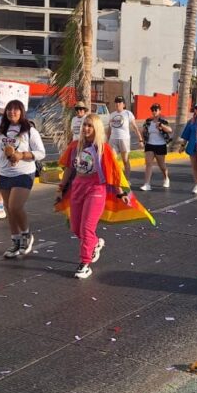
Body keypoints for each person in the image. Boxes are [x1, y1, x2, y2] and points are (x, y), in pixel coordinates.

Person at [55, 114, 132, 279]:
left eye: (90, 126)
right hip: (77, 189)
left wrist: (121, 193)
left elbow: (113, 173)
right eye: (84, 125)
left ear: (96, 128)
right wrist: (61, 188)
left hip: (96, 190)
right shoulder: (75, 146)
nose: (86, 129)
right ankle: (95, 243)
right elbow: (69, 168)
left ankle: (85, 263)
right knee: (76, 228)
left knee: (87, 228)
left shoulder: (103, 149)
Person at [0, 100, 47, 258]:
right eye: (9, 109)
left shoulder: (29, 130)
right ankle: (15, 241)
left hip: (24, 173)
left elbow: (41, 153)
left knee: (15, 207)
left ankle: (27, 235)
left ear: (21, 112)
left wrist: (22, 155)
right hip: (4, 174)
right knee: (9, 209)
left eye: (16, 109)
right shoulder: (1, 131)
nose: (12, 112)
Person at [106, 96, 141, 177]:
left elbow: (135, 127)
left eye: (119, 102)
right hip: (113, 140)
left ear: (124, 104)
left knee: (125, 160)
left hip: (124, 139)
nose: (117, 104)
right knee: (113, 160)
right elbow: (109, 129)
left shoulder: (128, 113)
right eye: (116, 102)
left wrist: (140, 139)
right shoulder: (112, 115)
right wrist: (107, 141)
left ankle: (127, 179)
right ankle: (116, 178)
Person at [140, 103, 172, 191]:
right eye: (152, 110)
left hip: (160, 145)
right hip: (149, 144)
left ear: (159, 111)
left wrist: (161, 126)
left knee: (161, 165)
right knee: (148, 164)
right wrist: (142, 140)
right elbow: (143, 131)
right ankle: (147, 184)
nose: (154, 111)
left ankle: (166, 178)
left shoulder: (163, 121)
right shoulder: (148, 121)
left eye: (156, 110)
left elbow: (170, 130)